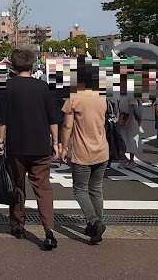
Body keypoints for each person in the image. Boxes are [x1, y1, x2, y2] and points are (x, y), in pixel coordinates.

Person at [0, 48, 61, 250]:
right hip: (40, 145)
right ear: (32, 65)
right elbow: (53, 119)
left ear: (12, 67)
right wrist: (56, 142)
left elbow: (2, 120)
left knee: (17, 186)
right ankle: (49, 230)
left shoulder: (6, 88)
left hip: (16, 145)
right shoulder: (43, 88)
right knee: (43, 188)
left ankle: (17, 225)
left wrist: (0, 142)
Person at [61, 61, 108, 245]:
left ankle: (93, 221)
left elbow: (67, 125)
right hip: (102, 149)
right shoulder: (101, 96)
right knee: (96, 189)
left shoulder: (74, 97)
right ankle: (98, 226)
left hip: (82, 151)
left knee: (80, 190)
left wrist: (64, 147)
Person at [116, 96, 141, 168]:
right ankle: (124, 158)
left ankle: (132, 160)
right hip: (122, 118)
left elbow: (131, 110)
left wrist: (127, 122)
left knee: (131, 139)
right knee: (122, 139)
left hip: (130, 120)